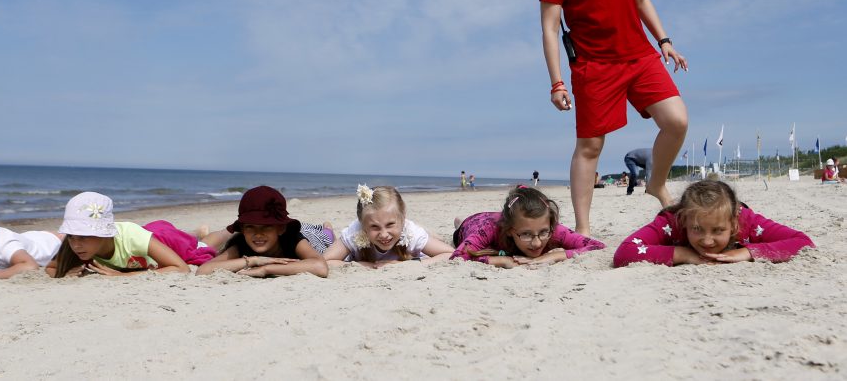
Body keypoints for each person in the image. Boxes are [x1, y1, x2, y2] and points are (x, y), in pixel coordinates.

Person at [540, 0, 689, 235]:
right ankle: (584, 229)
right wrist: (557, 82)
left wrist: (664, 40)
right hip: (594, 66)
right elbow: (549, 29)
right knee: (590, 146)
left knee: (676, 121)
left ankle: (657, 184)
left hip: (640, 56)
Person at [613, 180, 814, 267]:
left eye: (718, 230)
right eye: (697, 229)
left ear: (734, 224)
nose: (707, 241)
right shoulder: (673, 221)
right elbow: (625, 252)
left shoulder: (746, 220)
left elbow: (803, 242)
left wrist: (747, 252)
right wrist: (683, 254)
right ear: (685, 221)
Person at [47, 192, 217, 277]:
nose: (76, 244)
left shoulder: (131, 237)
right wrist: (68, 273)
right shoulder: (78, 247)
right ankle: (196, 232)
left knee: (203, 245)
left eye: (83, 236)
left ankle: (221, 231)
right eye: (71, 236)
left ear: (104, 233)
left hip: (167, 240)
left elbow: (181, 268)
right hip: (145, 237)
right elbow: (51, 268)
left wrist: (124, 276)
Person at [451, 186, 605, 268]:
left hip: (501, 218)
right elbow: (458, 257)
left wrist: (552, 256)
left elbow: (597, 246)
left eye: (544, 232)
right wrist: (503, 261)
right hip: (475, 222)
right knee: (460, 227)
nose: (537, 243)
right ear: (511, 230)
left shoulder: (552, 229)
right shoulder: (488, 230)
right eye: (526, 234)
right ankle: (459, 222)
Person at [196, 186, 329, 278]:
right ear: (242, 229)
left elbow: (320, 266)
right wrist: (254, 261)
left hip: (313, 237)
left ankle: (328, 227)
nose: (258, 233)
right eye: (250, 227)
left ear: (280, 228)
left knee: (326, 235)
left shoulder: (292, 238)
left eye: (266, 226)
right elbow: (203, 270)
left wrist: (266, 269)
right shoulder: (241, 243)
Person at [321, 184, 453, 267]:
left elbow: (452, 254)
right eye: (374, 227)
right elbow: (324, 262)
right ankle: (328, 228)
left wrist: (406, 265)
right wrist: (364, 265)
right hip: (355, 253)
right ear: (362, 225)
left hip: (410, 243)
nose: (384, 234)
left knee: (429, 237)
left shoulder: (411, 233)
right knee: (327, 237)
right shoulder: (354, 232)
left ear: (403, 217)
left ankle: (430, 233)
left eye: (390, 225)